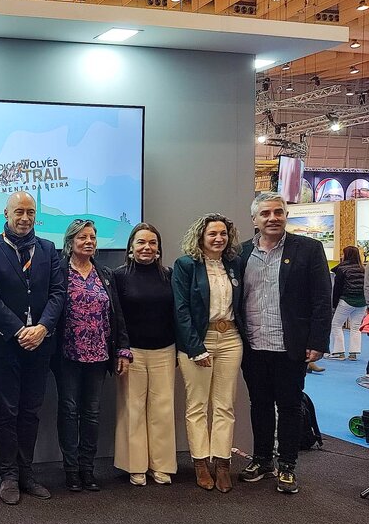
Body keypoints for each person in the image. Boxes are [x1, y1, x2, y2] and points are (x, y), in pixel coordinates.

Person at [0, 190, 65, 505]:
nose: (25, 218)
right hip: (5, 345)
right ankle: (8, 476)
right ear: (6, 214)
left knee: (31, 411)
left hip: (40, 344)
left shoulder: (48, 249)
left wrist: (42, 328)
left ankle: (27, 473)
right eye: (19, 212)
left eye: (30, 212)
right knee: (7, 412)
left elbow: (58, 293)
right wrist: (18, 330)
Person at [238, 192, 332, 494]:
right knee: (259, 405)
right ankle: (262, 460)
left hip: (290, 345)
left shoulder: (308, 249)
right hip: (253, 344)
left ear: (286, 215)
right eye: (265, 213)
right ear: (254, 219)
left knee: (290, 406)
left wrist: (318, 341)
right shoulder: (240, 253)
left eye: (278, 212)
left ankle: (287, 465)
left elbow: (322, 299)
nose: (273, 218)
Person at [53, 219, 130, 492]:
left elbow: (117, 314)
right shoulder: (59, 271)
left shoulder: (105, 273)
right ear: (70, 242)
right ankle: (71, 470)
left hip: (98, 355)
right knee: (69, 411)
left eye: (92, 238)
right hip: (68, 355)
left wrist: (122, 349)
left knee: (92, 413)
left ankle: (87, 469)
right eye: (82, 238)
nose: (88, 242)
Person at [173, 213, 244, 493]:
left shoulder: (234, 264)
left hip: (231, 339)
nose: (218, 238)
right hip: (198, 341)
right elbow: (181, 310)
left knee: (225, 405)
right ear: (201, 236)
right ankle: (201, 463)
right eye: (212, 233)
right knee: (197, 405)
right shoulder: (186, 265)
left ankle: (223, 463)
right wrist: (195, 348)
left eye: (223, 233)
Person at [112, 223, 178, 487]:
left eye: (152, 243)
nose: (146, 248)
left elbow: (176, 314)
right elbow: (117, 317)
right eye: (141, 242)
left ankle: (160, 465)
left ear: (158, 248)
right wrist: (122, 349)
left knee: (163, 409)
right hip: (132, 353)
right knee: (133, 410)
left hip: (165, 350)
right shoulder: (118, 276)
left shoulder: (169, 275)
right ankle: (135, 466)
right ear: (131, 247)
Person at [328, 245, 365, 360]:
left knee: (336, 325)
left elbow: (337, 288)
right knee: (356, 327)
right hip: (362, 302)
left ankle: (339, 352)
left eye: (343, 254)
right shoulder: (363, 269)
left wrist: (334, 304)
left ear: (346, 255)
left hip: (346, 300)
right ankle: (353, 353)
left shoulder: (342, 269)